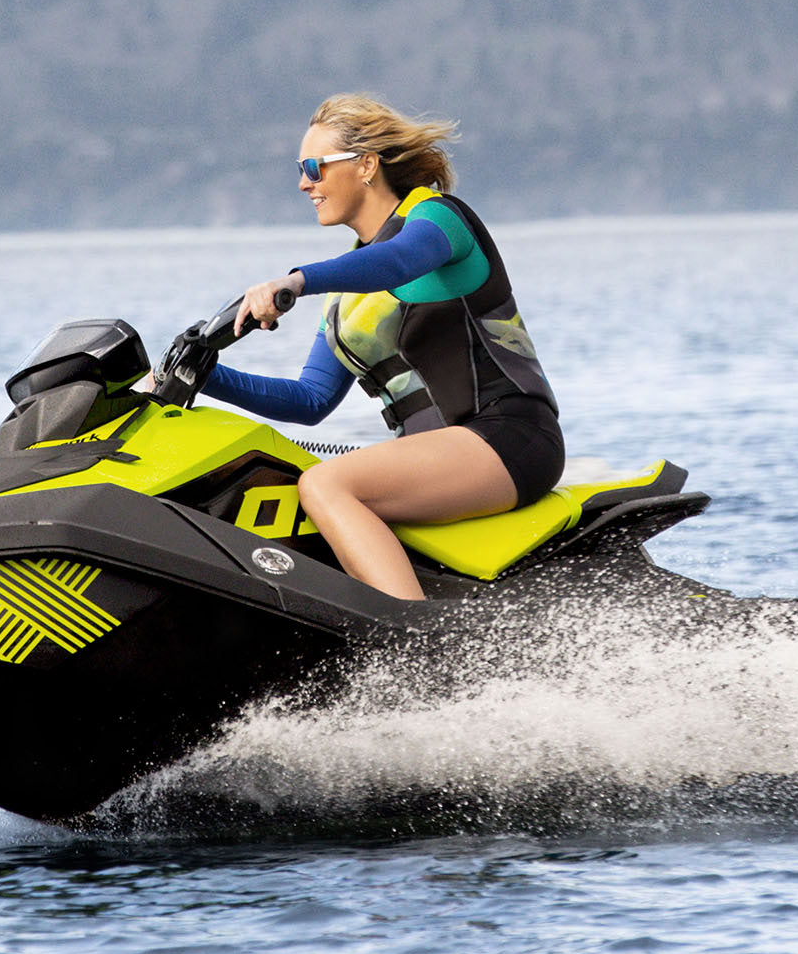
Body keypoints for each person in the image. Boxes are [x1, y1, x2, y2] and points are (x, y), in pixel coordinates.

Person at [197, 94, 564, 601]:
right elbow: (309, 399)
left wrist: (299, 280)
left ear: (366, 164)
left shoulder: (438, 221)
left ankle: (411, 645)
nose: (304, 183)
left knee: (327, 485)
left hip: (507, 435)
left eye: (313, 168)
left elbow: (398, 262)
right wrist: (204, 374)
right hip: (438, 457)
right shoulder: (349, 292)